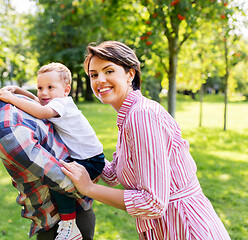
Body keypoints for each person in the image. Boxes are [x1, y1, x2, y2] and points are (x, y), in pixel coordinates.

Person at [61, 41, 231, 240]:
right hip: (165, 228)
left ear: (130, 74)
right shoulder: (128, 116)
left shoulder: (142, 115)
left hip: (185, 227)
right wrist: (74, 146)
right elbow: (113, 174)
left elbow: (153, 202)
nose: (100, 80)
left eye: (109, 71)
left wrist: (89, 188)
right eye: (94, 74)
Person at [0, 51, 96, 240]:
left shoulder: (5, 129)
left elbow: (57, 176)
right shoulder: (13, 103)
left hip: (63, 224)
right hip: (71, 215)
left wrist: (89, 187)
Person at [0, 62, 105, 240]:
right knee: (57, 176)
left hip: (90, 161)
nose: (44, 92)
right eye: (40, 87)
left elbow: (39, 111)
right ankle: (70, 222)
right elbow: (35, 101)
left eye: (50, 87)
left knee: (56, 181)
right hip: (89, 156)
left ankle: (69, 226)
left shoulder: (62, 104)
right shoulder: (56, 101)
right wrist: (18, 90)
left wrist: (11, 99)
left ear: (66, 89)